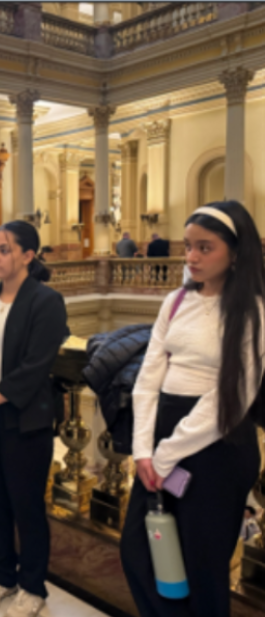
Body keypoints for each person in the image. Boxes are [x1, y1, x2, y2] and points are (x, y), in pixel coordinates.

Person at [121, 201, 264, 617]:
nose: (192, 257)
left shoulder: (252, 311)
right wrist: (144, 451)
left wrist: (164, 456)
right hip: (164, 439)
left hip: (218, 446)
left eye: (205, 247)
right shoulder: (176, 301)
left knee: (202, 568)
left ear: (235, 253)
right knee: (141, 554)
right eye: (188, 247)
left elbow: (230, 397)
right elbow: (147, 380)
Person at [0, 221, 68, 617]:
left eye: (4, 249)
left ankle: (33, 586)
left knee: (27, 505)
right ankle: (2, 575)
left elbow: (35, 367)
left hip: (25, 420)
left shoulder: (46, 302)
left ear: (27, 255)